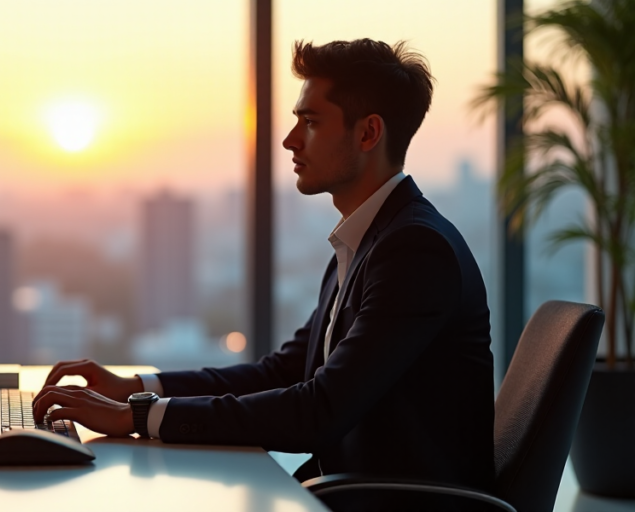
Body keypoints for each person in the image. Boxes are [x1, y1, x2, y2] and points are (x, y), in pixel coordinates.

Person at [32, 38, 494, 491]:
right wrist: (130, 386)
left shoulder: (414, 250)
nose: (290, 140)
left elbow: (319, 410)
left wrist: (137, 415)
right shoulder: (366, 242)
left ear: (368, 133)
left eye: (310, 122)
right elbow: (282, 372)